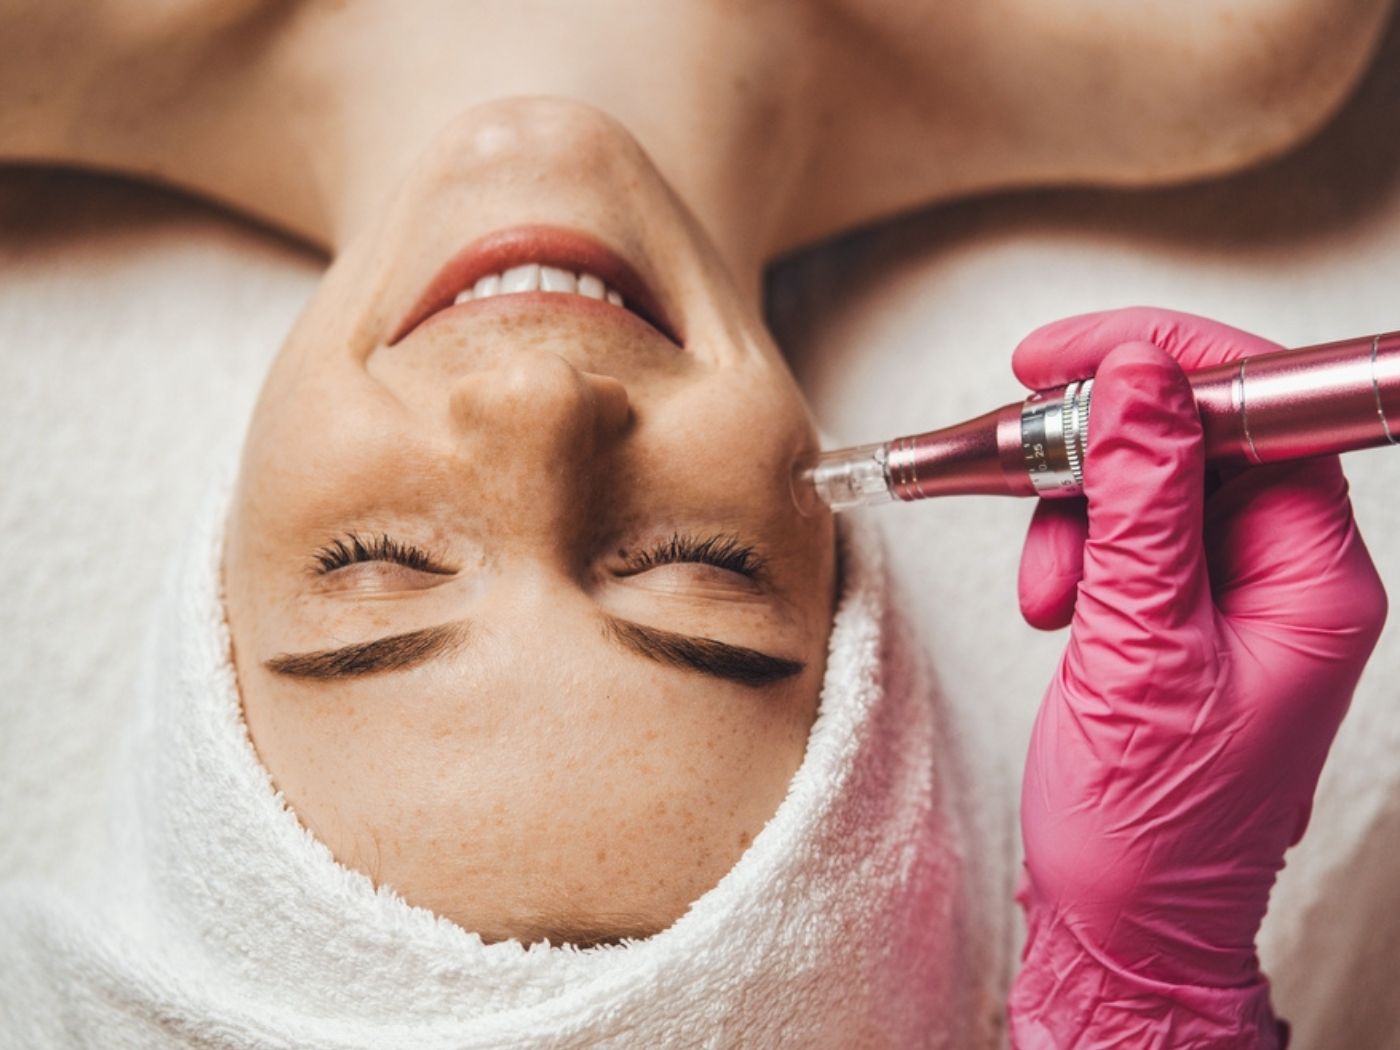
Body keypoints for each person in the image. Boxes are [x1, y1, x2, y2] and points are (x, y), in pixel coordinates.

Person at [0, 2, 1393, 1046]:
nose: (539, 403)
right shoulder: (1205, 29)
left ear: (215, 585)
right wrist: (1143, 985)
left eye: (382, 561)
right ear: (856, 579)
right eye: (694, 570)